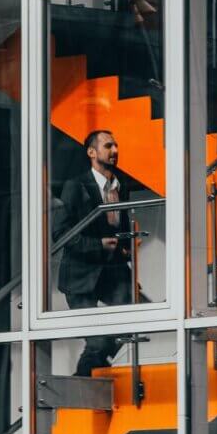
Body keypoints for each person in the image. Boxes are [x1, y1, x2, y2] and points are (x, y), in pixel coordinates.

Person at [55, 130, 133, 376]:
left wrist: (125, 246)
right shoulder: (76, 186)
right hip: (80, 276)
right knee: (98, 342)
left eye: (116, 145)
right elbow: (62, 233)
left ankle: (91, 377)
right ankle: (84, 381)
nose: (115, 151)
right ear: (91, 152)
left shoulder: (121, 186)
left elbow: (121, 226)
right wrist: (98, 244)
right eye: (108, 145)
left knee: (132, 323)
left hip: (112, 271)